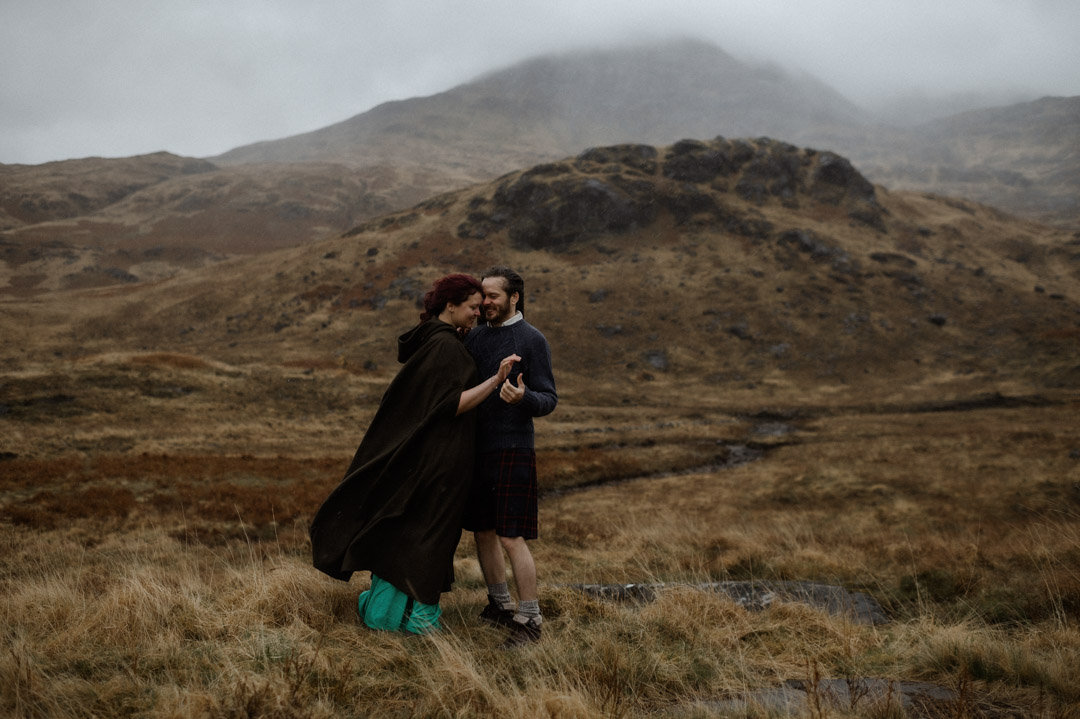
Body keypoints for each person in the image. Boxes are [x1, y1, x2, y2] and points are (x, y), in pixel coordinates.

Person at [309, 273, 520, 635]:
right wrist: (495, 381)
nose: (478, 313)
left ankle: (393, 613)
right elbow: (447, 405)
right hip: (439, 461)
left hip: (429, 458)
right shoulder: (445, 348)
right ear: (449, 306)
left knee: (412, 532)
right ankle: (415, 620)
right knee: (431, 535)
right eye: (472, 307)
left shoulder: (434, 341)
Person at [462, 266, 557, 646]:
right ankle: (500, 607)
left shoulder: (532, 339)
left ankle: (530, 618)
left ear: (514, 297)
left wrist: (524, 398)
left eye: (492, 296)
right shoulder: (475, 338)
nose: (484, 302)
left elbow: (549, 398)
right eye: (482, 296)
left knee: (510, 536)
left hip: (514, 447)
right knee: (482, 531)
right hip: (476, 449)